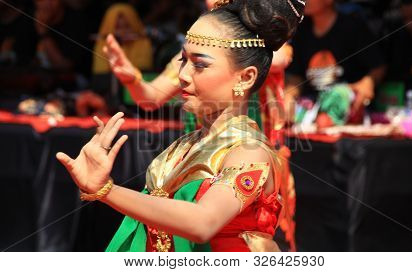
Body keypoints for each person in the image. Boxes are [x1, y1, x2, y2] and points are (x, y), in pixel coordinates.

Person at [56, 0, 306, 252]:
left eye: (200, 64)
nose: (183, 75)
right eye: (183, 60)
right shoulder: (184, 146)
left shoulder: (250, 152)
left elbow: (202, 223)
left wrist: (106, 190)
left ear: (246, 77)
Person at [285, 0, 386, 124]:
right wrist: (288, 96)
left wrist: (368, 82)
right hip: (313, 112)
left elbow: (378, 66)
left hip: (349, 111)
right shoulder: (301, 31)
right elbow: (296, 77)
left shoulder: (352, 27)